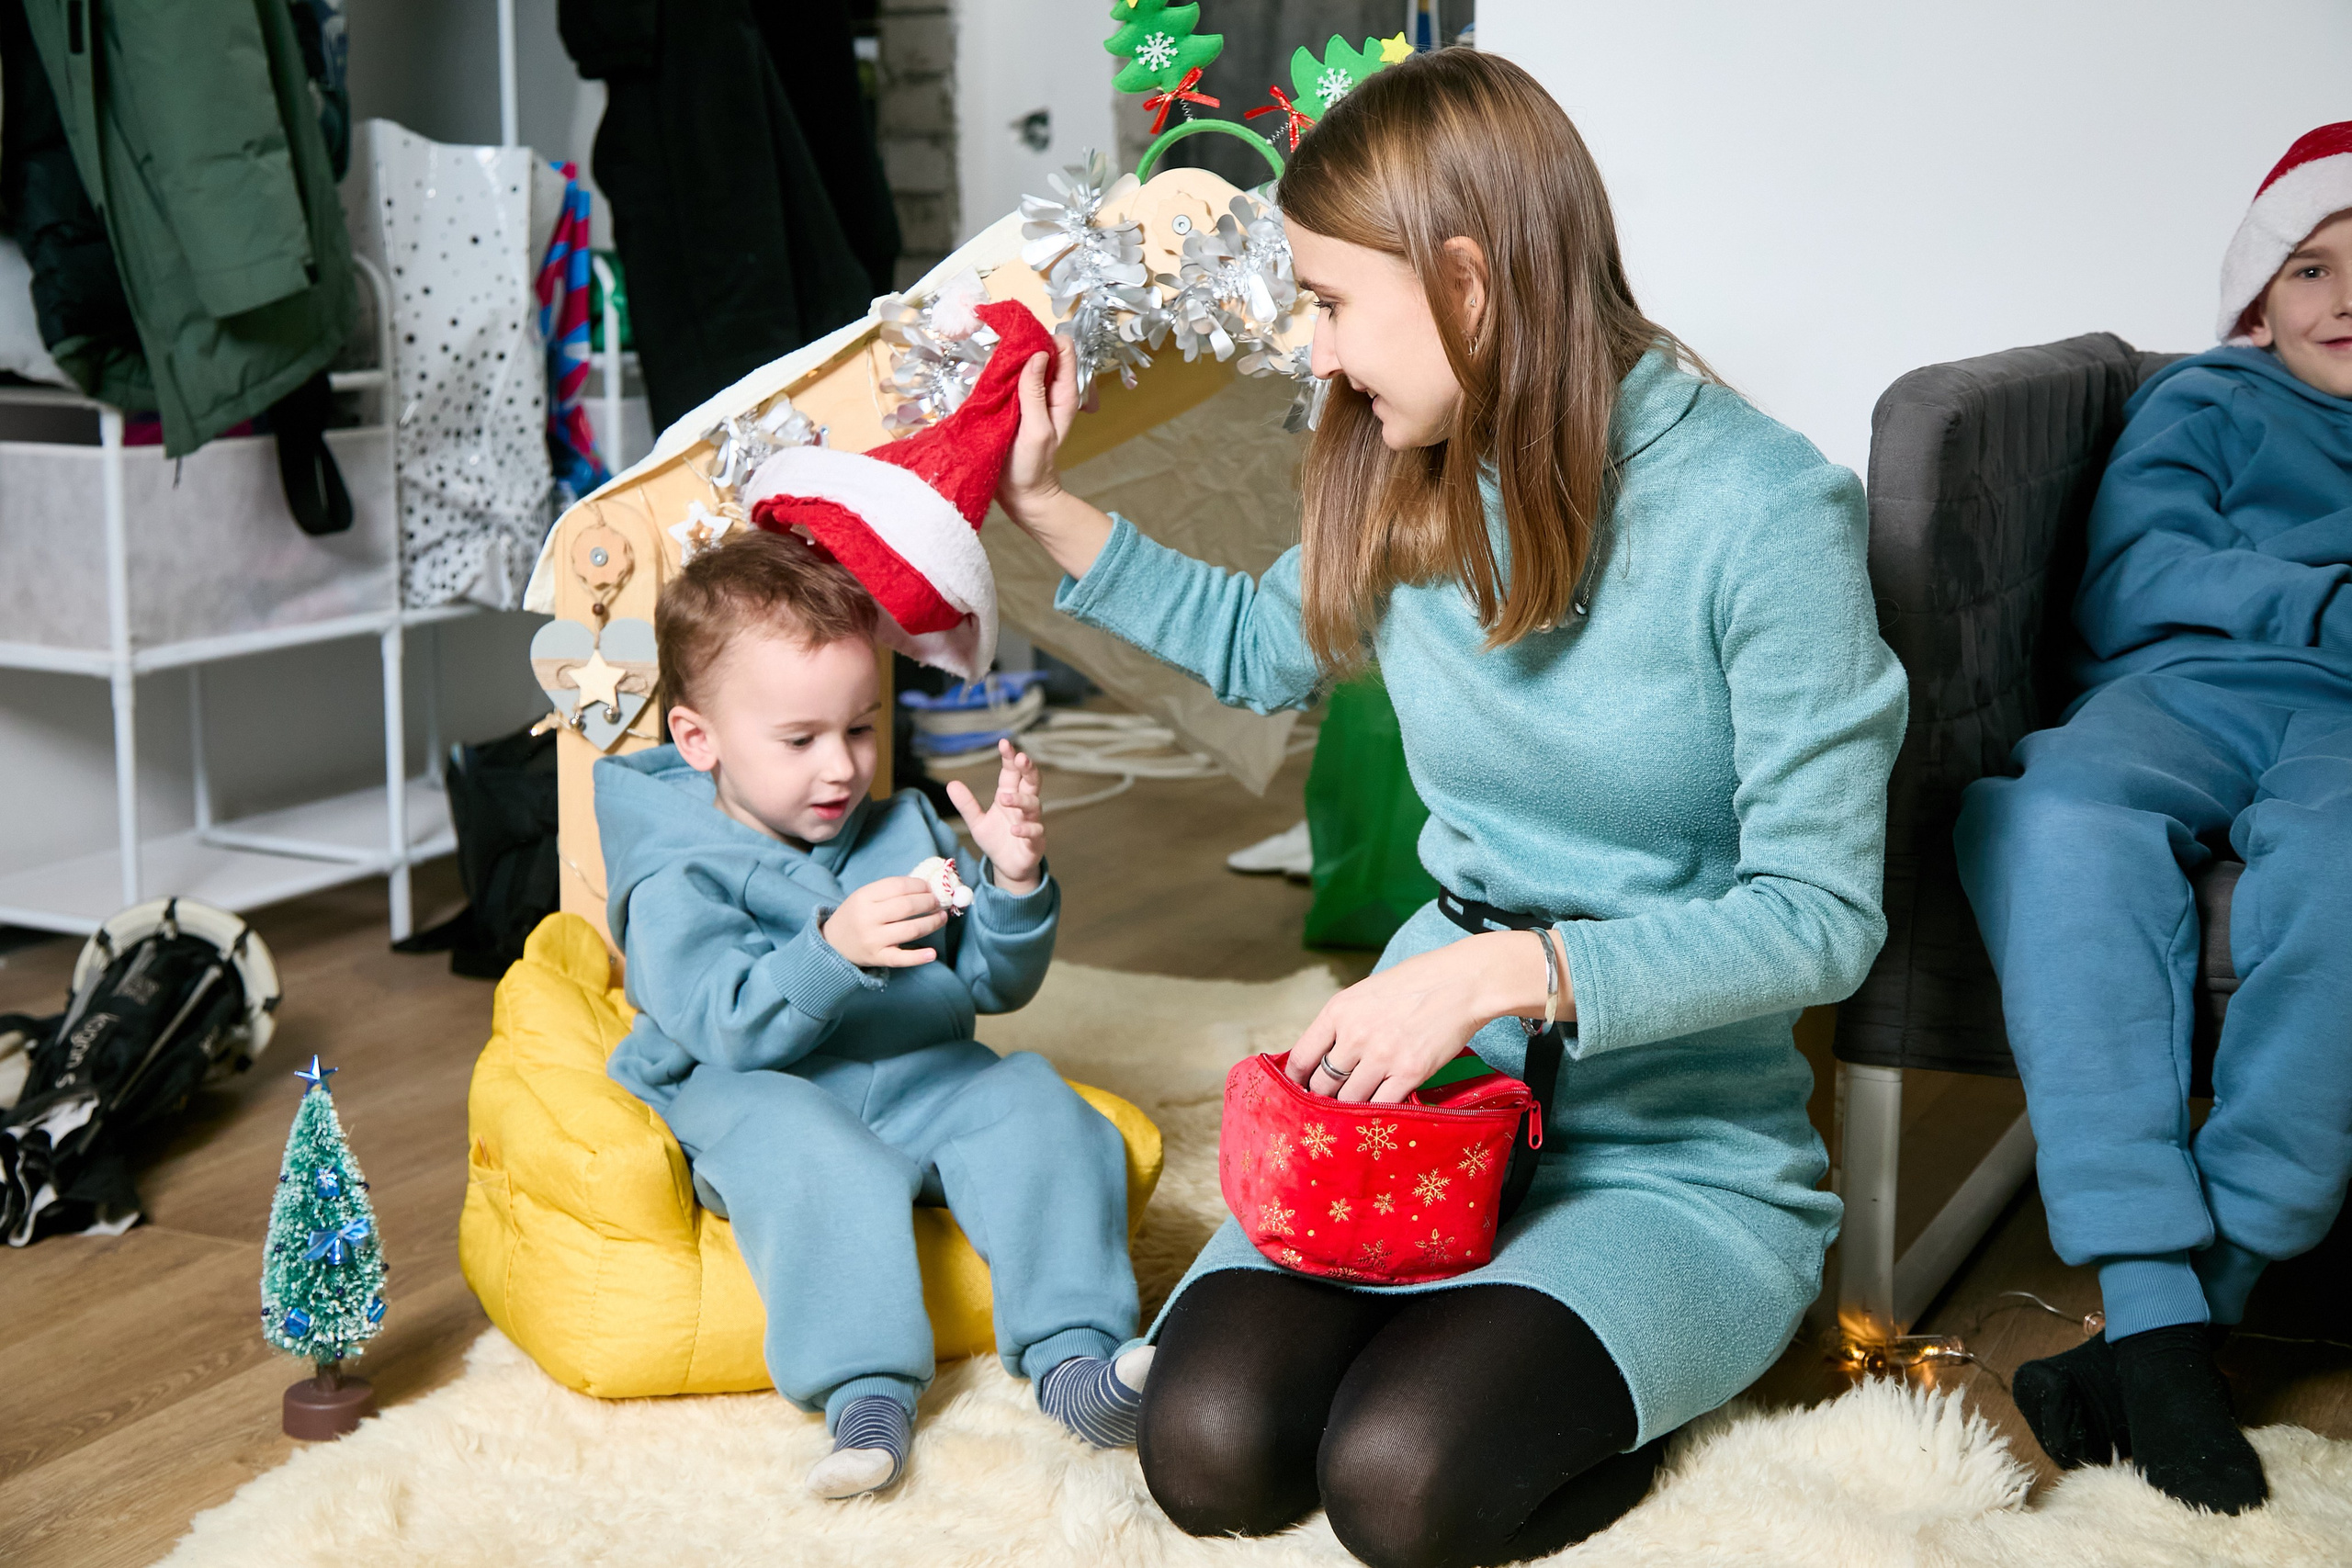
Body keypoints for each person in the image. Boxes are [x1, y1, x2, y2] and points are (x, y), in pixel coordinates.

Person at [996, 51, 1905, 1568]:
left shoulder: (1767, 517)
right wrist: (1047, 506)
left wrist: (1511, 968)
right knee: (1207, 1447)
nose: (1317, 346)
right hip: (1420, 1119)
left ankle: (1648, 1359)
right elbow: (1252, 641)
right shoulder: (1406, 464)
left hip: (1674, 1155)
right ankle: (1467, 1365)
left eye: (1334, 301)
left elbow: (1826, 921)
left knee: (1398, 1482)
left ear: (1468, 282)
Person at [1955, 122, 2352, 1517]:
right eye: (2311, 268)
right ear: (2259, 296)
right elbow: (2132, 580)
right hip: (2181, 685)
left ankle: (2175, 1333)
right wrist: (2318, 598)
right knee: (2054, 821)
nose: (2343, 299)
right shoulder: (2208, 400)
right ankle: (2153, 1298)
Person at [595, 530, 1148, 1500]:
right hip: (758, 1088)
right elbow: (722, 1023)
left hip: (922, 1076)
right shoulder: (676, 873)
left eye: (861, 726)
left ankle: (1076, 1360)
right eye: (800, 740)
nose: (843, 767)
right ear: (698, 740)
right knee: (816, 1159)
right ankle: (865, 1394)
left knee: (1041, 1108)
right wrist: (826, 950)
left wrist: (1013, 886)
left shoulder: (902, 827)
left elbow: (988, 985)